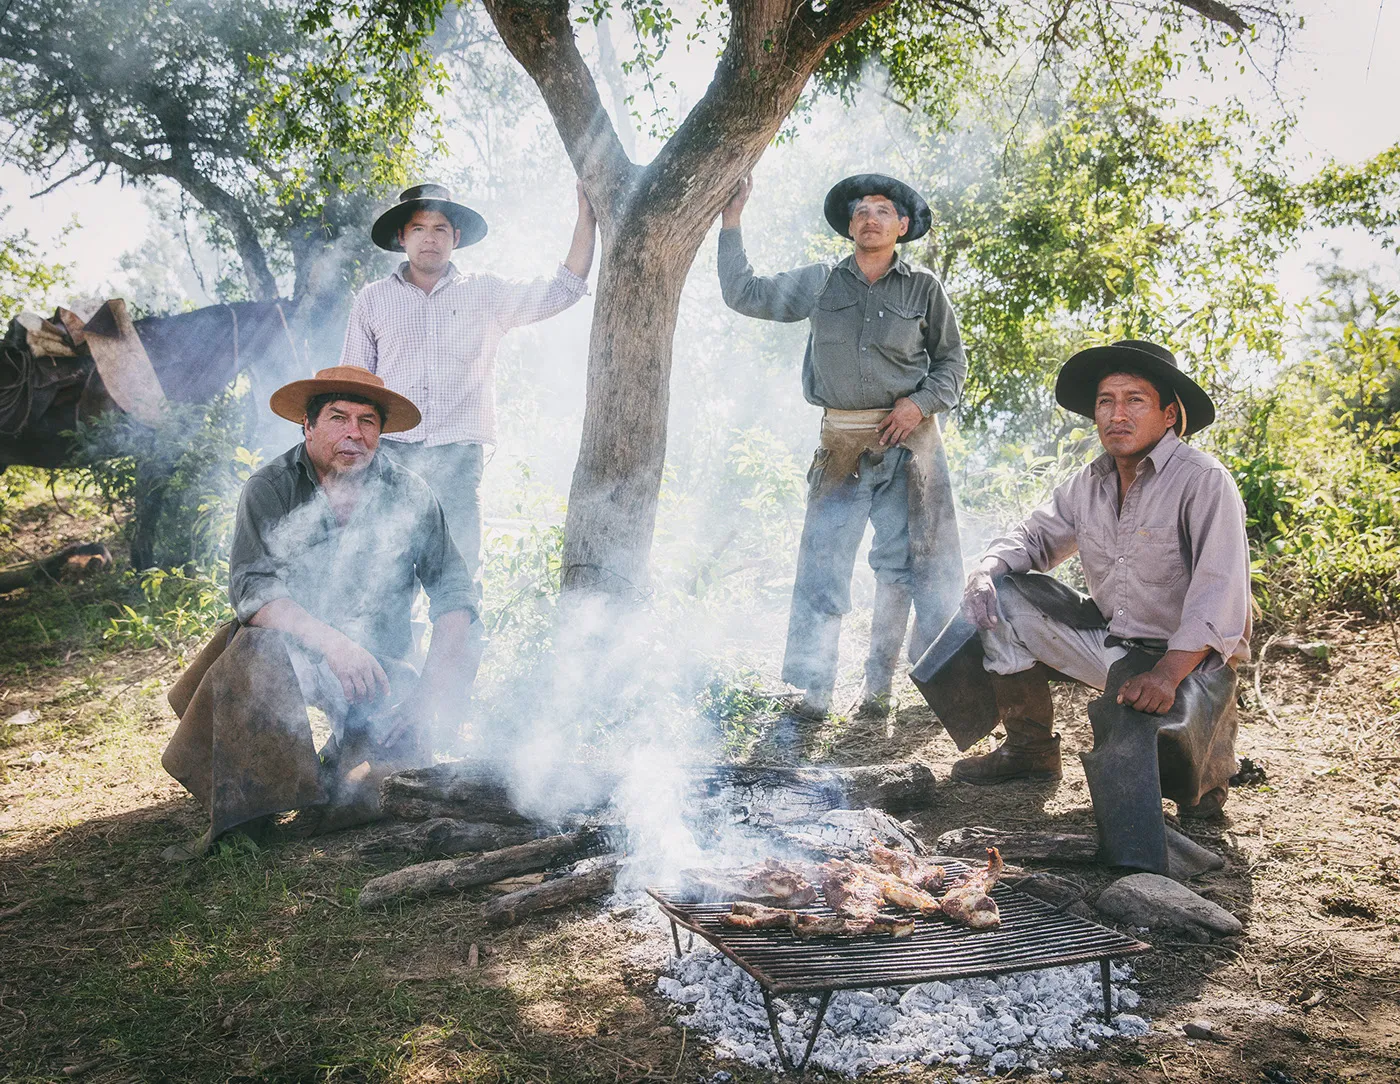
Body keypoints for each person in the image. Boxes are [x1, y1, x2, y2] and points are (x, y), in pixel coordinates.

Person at [913, 340, 1251, 873]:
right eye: (1105, 401)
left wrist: (1166, 673)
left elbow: (1220, 593)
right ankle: (1029, 751)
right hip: (1112, 641)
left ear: (1169, 415)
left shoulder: (1203, 481)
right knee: (996, 597)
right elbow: (1032, 536)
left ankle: (1205, 776)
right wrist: (984, 570)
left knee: (1146, 806)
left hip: (1183, 660)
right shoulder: (1088, 482)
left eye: (1135, 400)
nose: (1117, 414)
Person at [160, 366, 482, 859]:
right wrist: (333, 645)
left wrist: (423, 700)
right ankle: (253, 808)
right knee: (254, 646)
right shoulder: (269, 487)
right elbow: (254, 590)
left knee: (382, 793)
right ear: (307, 426)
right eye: (338, 417)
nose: (354, 432)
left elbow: (455, 596)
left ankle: (332, 770)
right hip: (292, 654)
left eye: (368, 421)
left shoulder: (411, 494)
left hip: (378, 665)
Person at [718, 173, 967, 720]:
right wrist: (732, 218)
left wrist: (918, 404)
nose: (869, 217)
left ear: (902, 227)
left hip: (908, 446)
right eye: (861, 210)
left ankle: (880, 692)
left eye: (883, 210)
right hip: (841, 445)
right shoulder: (820, 283)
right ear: (849, 225)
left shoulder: (923, 287)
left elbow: (952, 365)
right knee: (822, 566)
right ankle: (809, 697)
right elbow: (742, 293)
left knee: (902, 567)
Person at [338, 181, 597, 575]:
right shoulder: (372, 300)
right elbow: (353, 391)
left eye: (440, 229)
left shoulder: (484, 293)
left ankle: (461, 638)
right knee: (383, 579)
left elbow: (563, 290)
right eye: (419, 229)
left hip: (457, 457)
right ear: (402, 236)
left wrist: (587, 215)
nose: (430, 239)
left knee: (459, 576)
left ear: (455, 237)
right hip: (391, 457)